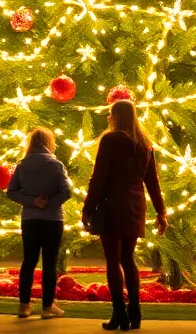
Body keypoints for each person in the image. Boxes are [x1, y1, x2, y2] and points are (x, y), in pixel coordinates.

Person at [82, 99, 167, 332]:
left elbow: (99, 177)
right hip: (135, 205)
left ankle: (119, 312)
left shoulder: (110, 140)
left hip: (112, 205)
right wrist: (161, 212)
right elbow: (153, 182)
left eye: (110, 114)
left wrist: (87, 207)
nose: (108, 118)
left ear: (117, 116)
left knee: (113, 260)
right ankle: (135, 312)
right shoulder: (145, 144)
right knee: (128, 259)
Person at [6, 127, 71, 320]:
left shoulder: (22, 165)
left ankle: (24, 305)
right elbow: (67, 192)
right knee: (49, 262)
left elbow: (11, 191)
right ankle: (47, 306)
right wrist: (49, 204)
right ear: (49, 142)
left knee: (29, 261)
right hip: (53, 219)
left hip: (30, 219)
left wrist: (33, 202)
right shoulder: (56, 165)